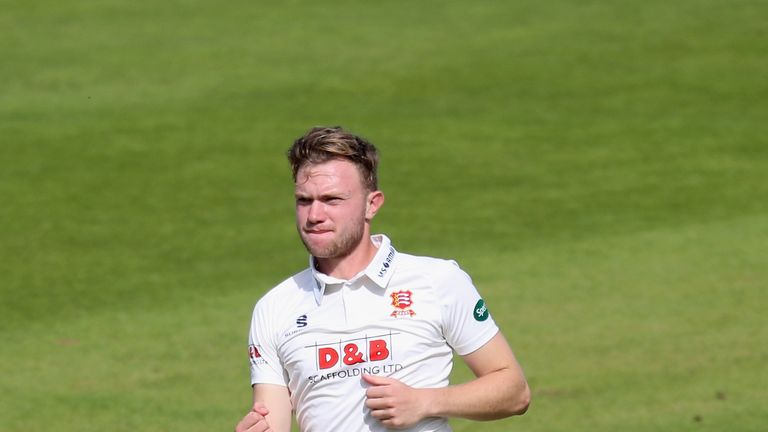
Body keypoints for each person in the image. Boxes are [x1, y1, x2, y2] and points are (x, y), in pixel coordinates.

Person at [235, 126, 530, 432]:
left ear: (371, 204)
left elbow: (514, 390)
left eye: (332, 199)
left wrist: (426, 402)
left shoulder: (437, 280)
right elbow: (273, 419)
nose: (314, 215)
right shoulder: (274, 307)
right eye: (304, 200)